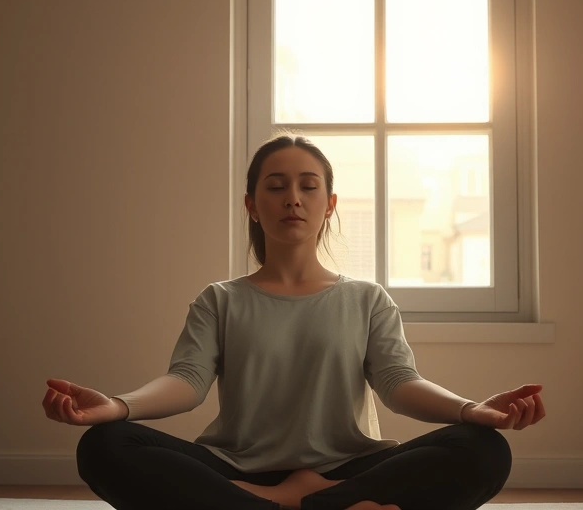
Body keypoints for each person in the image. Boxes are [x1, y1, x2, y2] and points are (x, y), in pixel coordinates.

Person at [42, 134, 546, 510]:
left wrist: (469, 410)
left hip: (346, 468)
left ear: (328, 205)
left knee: (483, 450)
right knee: (106, 444)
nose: (293, 198)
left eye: (309, 187)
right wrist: (116, 406)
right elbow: (187, 382)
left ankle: (298, 501)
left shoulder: (366, 299)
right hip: (236, 470)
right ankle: (300, 505)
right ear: (252, 206)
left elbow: (397, 384)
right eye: (276, 186)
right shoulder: (220, 300)